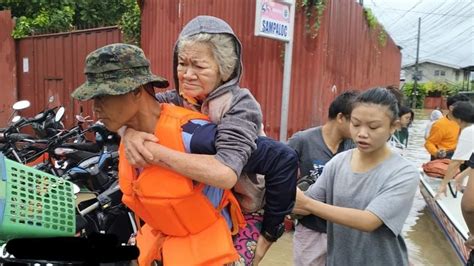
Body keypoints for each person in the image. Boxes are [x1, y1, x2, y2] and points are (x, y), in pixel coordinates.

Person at [71, 43, 297, 265]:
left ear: (136, 91)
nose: (95, 108)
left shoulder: (196, 135)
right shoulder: (127, 130)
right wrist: (127, 132)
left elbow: (282, 158)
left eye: (103, 96)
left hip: (209, 249)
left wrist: (268, 235)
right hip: (163, 242)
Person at [293, 88, 420, 266]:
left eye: (373, 127)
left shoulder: (403, 173)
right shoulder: (338, 163)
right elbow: (306, 203)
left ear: (394, 126)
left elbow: (368, 221)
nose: (362, 133)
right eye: (356, 124)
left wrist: (306, 203)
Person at [287, 91, 357, 266]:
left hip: (343, 231)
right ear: (341, 117)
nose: (360, 129)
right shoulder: (303, 140)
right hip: (311, 229)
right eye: (356, 122)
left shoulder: (355, 146)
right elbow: (277, 172)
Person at [436, 101, 474, 198]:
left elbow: (455, 162)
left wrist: (443, 185)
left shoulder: (469, 131)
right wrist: (462, 176)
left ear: (459, 120)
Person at [425, 94, 469, 160]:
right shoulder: (440, 124)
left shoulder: (468, 122)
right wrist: (437, 152)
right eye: (464, 108)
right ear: (451, 108)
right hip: (445, 157)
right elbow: (429, 143)